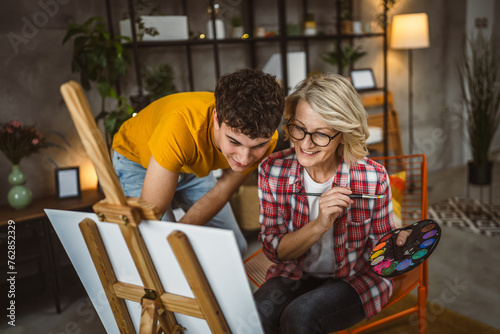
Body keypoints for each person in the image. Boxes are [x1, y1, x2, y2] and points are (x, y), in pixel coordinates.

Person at [254, 73, 410, 333]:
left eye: (321, 135)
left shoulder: (371, 178)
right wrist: (319, 225)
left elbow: (381, 256)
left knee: (300, 316)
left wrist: (397, 243)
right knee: (256, 314)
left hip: (355, 276)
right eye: (299, 128)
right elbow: (273, 250)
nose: (305, 143)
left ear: (343, 133)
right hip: (296, 273)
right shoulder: (273, 170)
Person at [112, 68, 285, 256]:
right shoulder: (180, 128)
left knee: (235, 248)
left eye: (256, 146)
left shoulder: (267, 137)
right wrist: (176, 246)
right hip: (137, 162)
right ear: (217, 120)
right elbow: (152, 216)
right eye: (234, 142)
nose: (244, 158)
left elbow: (221, 193)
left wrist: (181, 238)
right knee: (162, 252)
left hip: (191, 167)